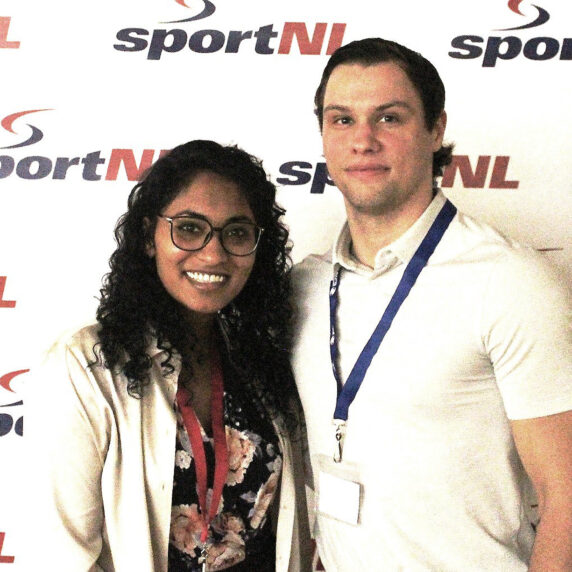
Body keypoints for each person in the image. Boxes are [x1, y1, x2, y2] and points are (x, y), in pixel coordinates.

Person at [291, 38, 572, 571]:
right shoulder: (303, 287)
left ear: (436, 129)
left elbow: (568, 497)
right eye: (342, 120)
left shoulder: (509, 281)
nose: (363, 140)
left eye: (389, 118)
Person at [27, 140, 312, 571]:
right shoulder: (88, 366)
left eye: (237, 233)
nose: (214, 254)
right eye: (190, 228)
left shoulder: (263, 359)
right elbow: (60, 554)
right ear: (148, 237)